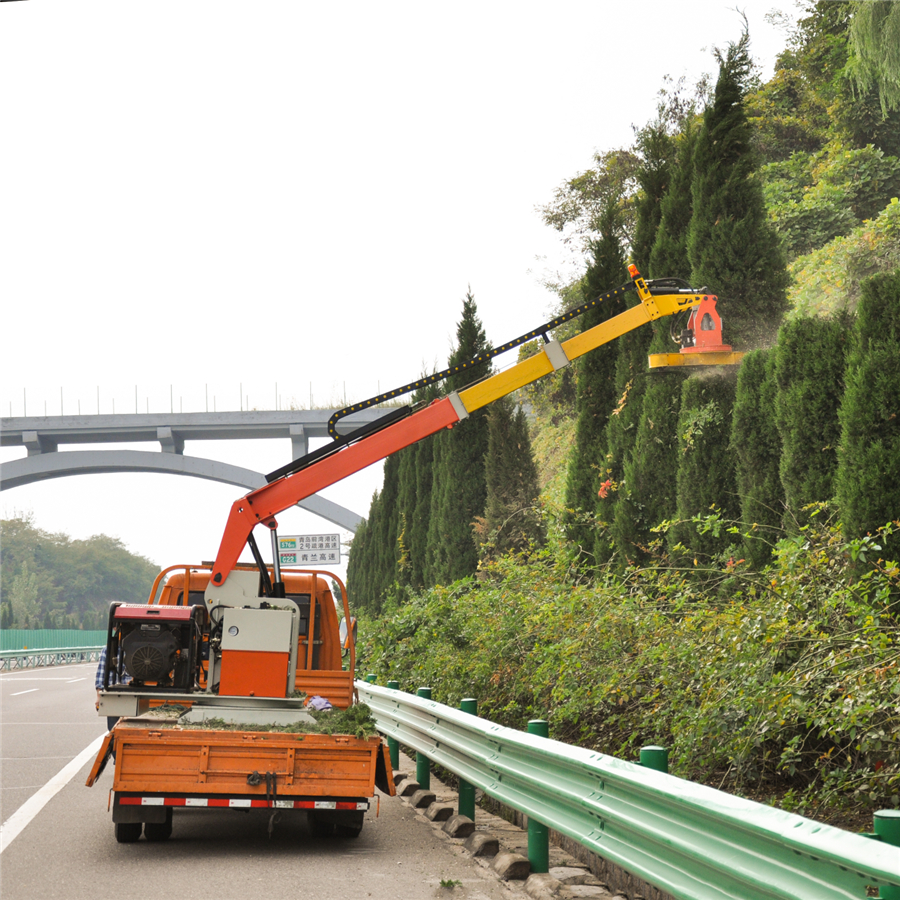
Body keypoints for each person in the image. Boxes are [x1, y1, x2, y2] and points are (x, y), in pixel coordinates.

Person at [95, 645, 130, 732]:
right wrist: (99, 696)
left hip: (134, 694)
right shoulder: (109, 649)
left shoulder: (140, 646)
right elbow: (101, 673)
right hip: (114, 695)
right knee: (113, 730)